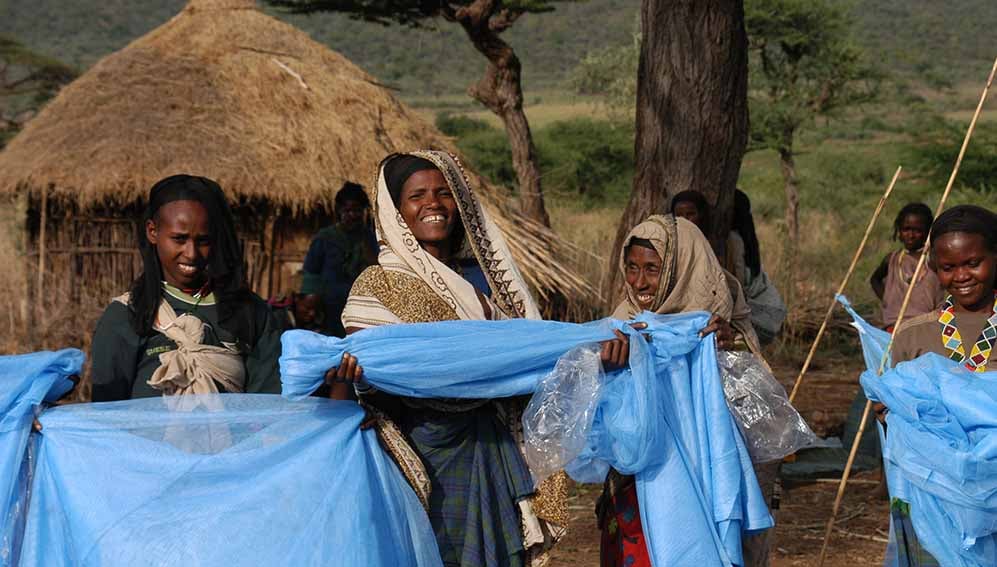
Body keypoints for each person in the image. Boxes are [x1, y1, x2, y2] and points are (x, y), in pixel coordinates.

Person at [326, 151, 577, 567]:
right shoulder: (376, 286)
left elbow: (522, 355)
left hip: (490, 447)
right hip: (420, 454)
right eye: (417, 196)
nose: (434, 204)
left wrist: (597, 346)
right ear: (395, 211)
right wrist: (353, 381)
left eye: (444, 193)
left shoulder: (478, 282)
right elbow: (374, 377)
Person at [599, 214, 776, 567]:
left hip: (705, 474)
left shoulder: (716, 324)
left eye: (652, 269)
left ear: (680, 268)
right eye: (631, 268)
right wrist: (610, 369)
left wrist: (724, 348)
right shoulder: (624, 320)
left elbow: (753, 398)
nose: (639, 282)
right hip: (643, 478)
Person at [873, 204, 997, 565]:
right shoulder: (914, 335)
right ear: (934, 270)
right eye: (948, 267)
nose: (962, 276)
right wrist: (888, 414)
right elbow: (899, 409)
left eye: (973, 263)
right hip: (934, 501)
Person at [89, 174, 282, 402]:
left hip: (235, 440)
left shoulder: (250, 313)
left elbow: (267, 408)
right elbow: (106, 414)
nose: (191, 253)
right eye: (179, 239)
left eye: (203, 241)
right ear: (153, 232)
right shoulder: (127, 315)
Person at [301, 182, 377, 337]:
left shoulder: (371, 239)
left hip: (363, 309)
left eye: (357, 210)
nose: (352, 215)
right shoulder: (325, 238)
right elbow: (311, 272)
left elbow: (378, 268)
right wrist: (311, 302)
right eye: (347, 210)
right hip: (329, 308)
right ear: (339, 210)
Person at [870, 203, 944, 331]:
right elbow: (875, 279)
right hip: (894, 327)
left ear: (927, 233)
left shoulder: (932, 259)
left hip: (926, 327)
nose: (911, 235)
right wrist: (887, 300)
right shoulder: (892, 259)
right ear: (899, 231)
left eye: (917, 231)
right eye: (906, 229)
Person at [730, 189, 786, 344]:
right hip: (768, 309)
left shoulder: (733, 241)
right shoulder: (746, 237)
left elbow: (737, 282)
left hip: (756, 313)